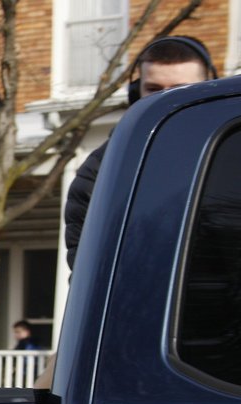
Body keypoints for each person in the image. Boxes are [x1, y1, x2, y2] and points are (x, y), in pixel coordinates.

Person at [64, 36, 218, 270]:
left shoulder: (231, 152)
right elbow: (89, 273)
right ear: (136, 93)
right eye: (154, 90)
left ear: (208, 91)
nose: (165, 101)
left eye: (181, 91)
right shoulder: (102, 171)